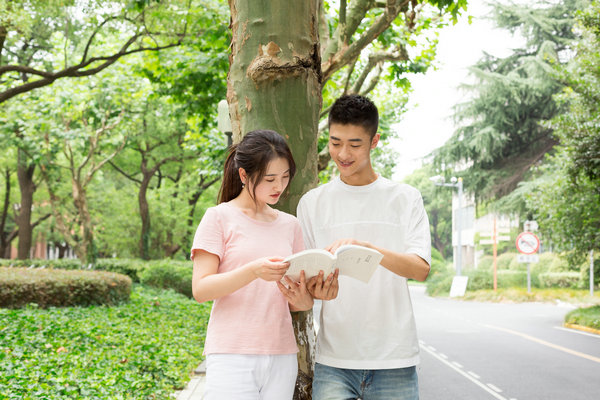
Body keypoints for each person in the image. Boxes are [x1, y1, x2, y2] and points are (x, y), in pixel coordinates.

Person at [298, 94, 432, 400]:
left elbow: (420, 269)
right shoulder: (312, 203)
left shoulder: (404, 198)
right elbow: (305, 280)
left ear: (374, 142)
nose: (343, 153)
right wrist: (315, 289)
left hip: (394, 358)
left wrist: (367, 249)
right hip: (334, 360)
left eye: (355, 145)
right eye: (335, 142)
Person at [191, 129, 315, 400]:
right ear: (244, 175)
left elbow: (299, 304)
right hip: (231, 353)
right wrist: (253, 271)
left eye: (284, 177)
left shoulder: (290, 225)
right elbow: (201, 289)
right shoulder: (218, 218)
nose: (278, 186)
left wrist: (305, 298)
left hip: (281, 353)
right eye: (270, 178)